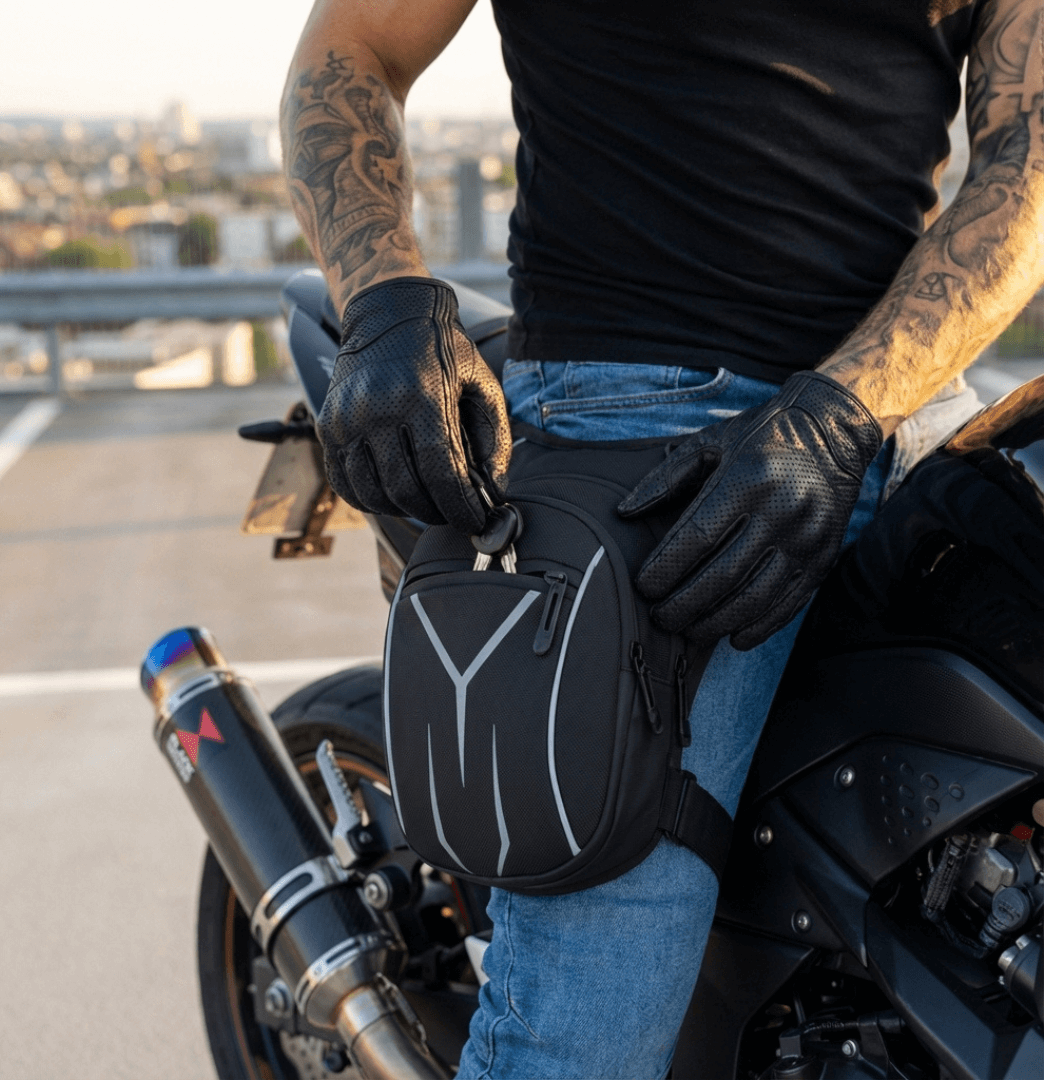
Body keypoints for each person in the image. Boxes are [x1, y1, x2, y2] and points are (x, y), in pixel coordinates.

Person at [282, 0, 1044, 1075]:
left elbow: (1027, 148)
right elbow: (352, 48)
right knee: (581, 1042)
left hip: (905, 397)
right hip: (633, 417)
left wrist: (844, 410)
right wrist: (388, 301)